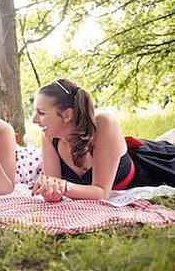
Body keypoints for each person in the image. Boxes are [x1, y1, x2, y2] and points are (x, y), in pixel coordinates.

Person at [31, 78, 175, 201]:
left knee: (166, 146)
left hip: (149, 169)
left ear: (67, 115)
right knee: (162, 141)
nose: (34, 119)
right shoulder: (49, 136)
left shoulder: (104, 123)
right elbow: (54, 189)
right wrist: (50, 190)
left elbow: (100, 192)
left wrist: (64, 187)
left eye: (41, 113)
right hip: (126, 151)